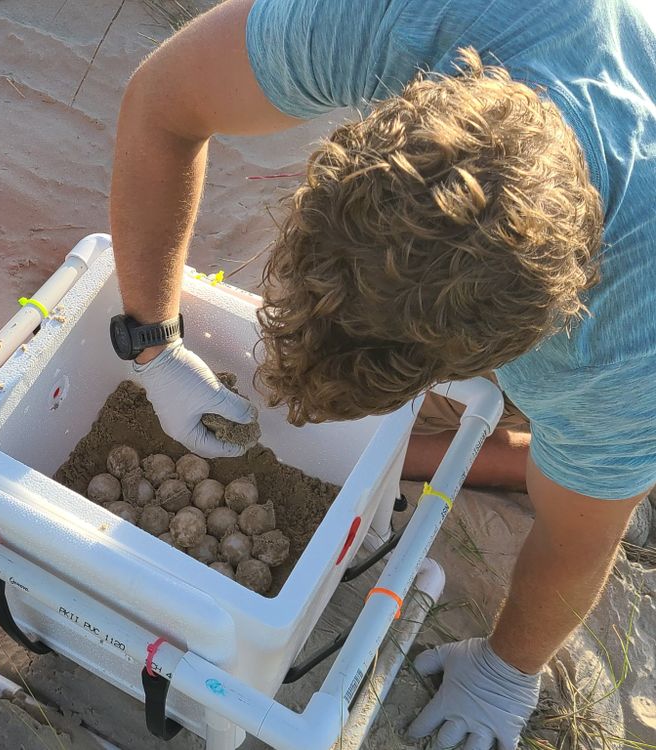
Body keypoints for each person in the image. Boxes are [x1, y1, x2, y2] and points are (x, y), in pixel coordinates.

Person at [108, 0, 655, 748]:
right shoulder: (400, 17)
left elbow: (577, 542)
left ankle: (609, 468)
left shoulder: (621, 355)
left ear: (499, 356)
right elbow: (160, 103)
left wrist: (507, 670)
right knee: (374, 425)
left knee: (594, 488)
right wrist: (154, 342)